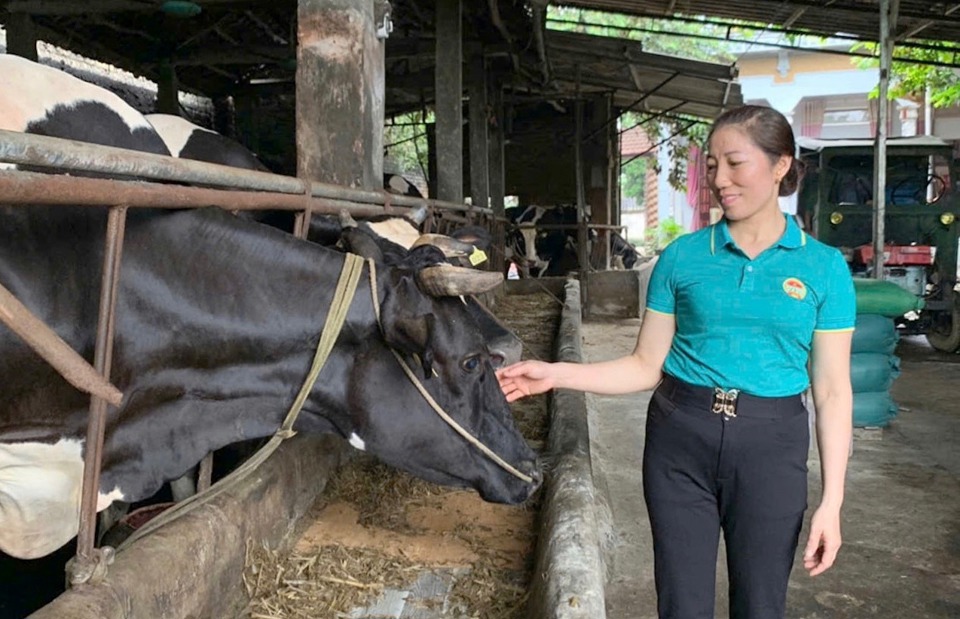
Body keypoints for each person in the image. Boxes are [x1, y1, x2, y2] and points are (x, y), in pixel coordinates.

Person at [496, 104, 855, 619]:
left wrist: (833, 501)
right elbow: (645, 365)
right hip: (679, 439)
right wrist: (554, 374)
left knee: (761, 604)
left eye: (735, 163)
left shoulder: (823, 268)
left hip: (772, 448)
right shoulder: (682, 257)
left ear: (781, 166)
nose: (719, 179)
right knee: (682, 605)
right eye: (711, 165)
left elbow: (833, 391)